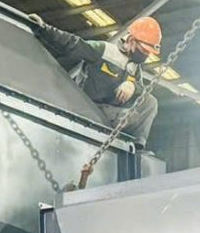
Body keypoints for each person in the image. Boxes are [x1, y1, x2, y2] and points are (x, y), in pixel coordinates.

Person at [30, 14, 164, 146]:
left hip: (112, 111)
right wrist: (44, 28)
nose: (146, 56)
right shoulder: (103, 50)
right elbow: (73, 43)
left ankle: (137, 146)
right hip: (89, 107)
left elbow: (141, 91)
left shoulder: (135, 67)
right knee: (128, 116)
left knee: (150, 102)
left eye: (148, 53)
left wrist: (132, 85)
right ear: (132, 40)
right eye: (144, 51)